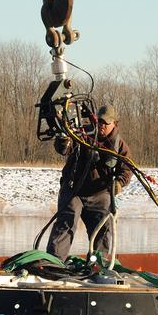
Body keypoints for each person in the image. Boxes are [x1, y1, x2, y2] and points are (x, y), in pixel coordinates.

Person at [45, 104, 132, 260]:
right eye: (99, 121)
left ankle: (97, 264)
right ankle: (53, 262)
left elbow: (126, 171)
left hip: (100, 194)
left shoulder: (120, 146)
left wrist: (119, 183)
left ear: (115, 124)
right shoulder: (84, 134)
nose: (102, 125)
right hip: (74, 190)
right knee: (67, 222)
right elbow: (65, 149)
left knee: (103, 227)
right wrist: (63, 141)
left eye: (106, 123)